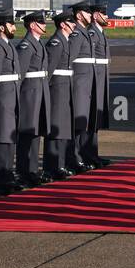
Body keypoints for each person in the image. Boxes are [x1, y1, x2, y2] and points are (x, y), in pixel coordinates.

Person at [13, 10, 51, 186]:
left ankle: (32, 170)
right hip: (29, 95)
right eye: (41, 23)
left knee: (35, 135)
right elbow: (20, 74)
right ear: (33, 25)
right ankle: (23, 172)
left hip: (39, 93)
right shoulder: (26, 46)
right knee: (27, 136)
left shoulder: (38, 43)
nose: (44, 25)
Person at [0, 10, 20, 193]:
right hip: (2, 99)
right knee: (1, 139)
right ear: (2, 27)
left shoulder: (7, 45)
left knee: (9, 138)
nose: (14, 27)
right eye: (11, 24)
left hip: (10, 98)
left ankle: (7, 175)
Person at [43, 11, 76, 179]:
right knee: (55, 130)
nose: (74, 24)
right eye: (71, 22)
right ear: (63, 24)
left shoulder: (66, 41)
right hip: (56, 90)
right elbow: (49, 71)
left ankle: (60, 165)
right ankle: (52, 167)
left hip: (65, 89)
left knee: (63, 128)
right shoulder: (56, 43)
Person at [67, 2, 98, 173]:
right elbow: (68, 59)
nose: (90, 16)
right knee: (77, 125)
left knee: (82, 123)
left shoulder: (84, 32)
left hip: (86, 85)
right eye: (87, 13)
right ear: (79, 15)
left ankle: (80, 157)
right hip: (78, 85)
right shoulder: (77, 34)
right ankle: (74, 159)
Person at [88, 4, 114, 168]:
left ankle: (93, 154)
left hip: (100, 79)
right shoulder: (92, 33)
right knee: (90, 121)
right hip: (93, 80)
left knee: (95, 120)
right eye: (104, 14)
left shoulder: (100, 32)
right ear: (96, 15)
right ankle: (87, 155)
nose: (107, 17)